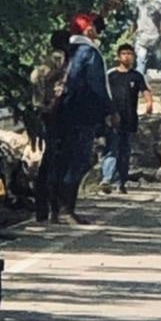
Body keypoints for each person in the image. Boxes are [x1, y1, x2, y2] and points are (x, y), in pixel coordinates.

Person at [52, 14, 116, 225]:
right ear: (88, 30)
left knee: (60, 159)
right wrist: (110, 110)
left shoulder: (67, 51)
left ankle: (54, 209)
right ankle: (67, 209)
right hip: (83, 113)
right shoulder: (89, 53)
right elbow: (98, 85)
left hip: (61, 112)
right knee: (79, 159)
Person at [30, 29, 72, 222]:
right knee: (56, 161)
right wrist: (53, 102)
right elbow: (59, 84)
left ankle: (42, 209)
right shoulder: (60, 59)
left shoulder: (49, 59)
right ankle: (55, 208)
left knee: (48, 161)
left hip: (44, 112)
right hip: (56, 112)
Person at [100, 43, 152, 194]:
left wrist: (149, 103)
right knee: (111, 149)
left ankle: (120, 182)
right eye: (124, 53)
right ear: (118, 56)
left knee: (125, 151)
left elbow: (145, 90)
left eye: (130, 53)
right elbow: (104, 94)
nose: (127, 56)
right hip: (113, 118)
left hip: (130, 118)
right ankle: (107, 179)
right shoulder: (111, 75)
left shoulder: (136, 76)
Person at [133, 0, 161, 76]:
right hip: (155, 38)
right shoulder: (160, 6)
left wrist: (133, 31)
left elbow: (135, 20)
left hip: (142, 37)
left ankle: (138, 85)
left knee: (141, 63)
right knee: (159, 63)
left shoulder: (140, 4)